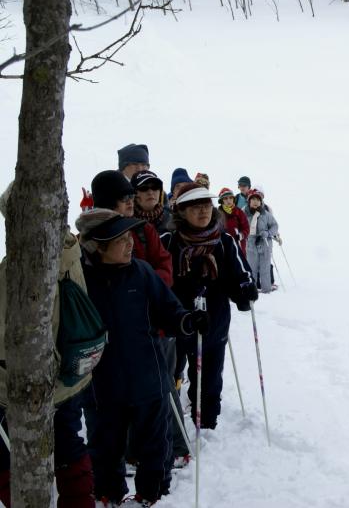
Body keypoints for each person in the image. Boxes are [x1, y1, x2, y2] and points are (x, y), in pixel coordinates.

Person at [76, 209, 208, 507]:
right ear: (97, 246)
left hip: (148, 379)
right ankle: (109, 495)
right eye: (120, 239)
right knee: (105, 446)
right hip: (102, 386)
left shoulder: (141, 272)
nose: (129, 243)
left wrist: (189, 321)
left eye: (129, 237)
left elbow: (169, 310)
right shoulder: (81, 281)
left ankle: (151, 496)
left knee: (154, 445)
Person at [0, 183, 94, 508]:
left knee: (7, 454)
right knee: (68, 444)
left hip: (29, 382)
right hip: (70, 373)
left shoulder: (19, 268)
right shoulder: (70, 251)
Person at [161, 183, 258, 431]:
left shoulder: (224, 240)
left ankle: (205, 425)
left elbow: (240, 272)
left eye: (206, 205)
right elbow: (158, 281)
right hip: (178, 323)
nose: (203, 211)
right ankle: (173, 430)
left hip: (214, 322)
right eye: (195, 206)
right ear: (181, 211)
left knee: (211, 378)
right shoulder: (170, 241)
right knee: (171, 374)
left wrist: (245, 289)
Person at [244, 188, 280, 294]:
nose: (255, 202)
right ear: (249, 201)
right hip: (250, 243)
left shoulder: (266, 214)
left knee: (265, 267)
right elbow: (241, 225)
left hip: (265, 242)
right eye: (253, 199)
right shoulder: (244, 212)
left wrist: (268, 233)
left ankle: (266, 289)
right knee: (251, 268)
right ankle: (253, 289)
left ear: (261, 202)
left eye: (257, 200)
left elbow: (275, 226)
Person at [131, 170, 171, 235]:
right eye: (143, 188)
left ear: (160, 192)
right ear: (134, 194)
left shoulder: (173, 221)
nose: (150, 192)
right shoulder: (126, 224)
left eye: (155, 187)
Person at [218, 187, 249, 257]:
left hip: (239, 248)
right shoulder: (218, 214)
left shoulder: (239, 212)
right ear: (221, 201)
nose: (229, 200)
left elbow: (246, 228)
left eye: (230, 198)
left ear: (233, 199)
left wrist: (241, 235)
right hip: (223, 248)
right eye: (225, 198)